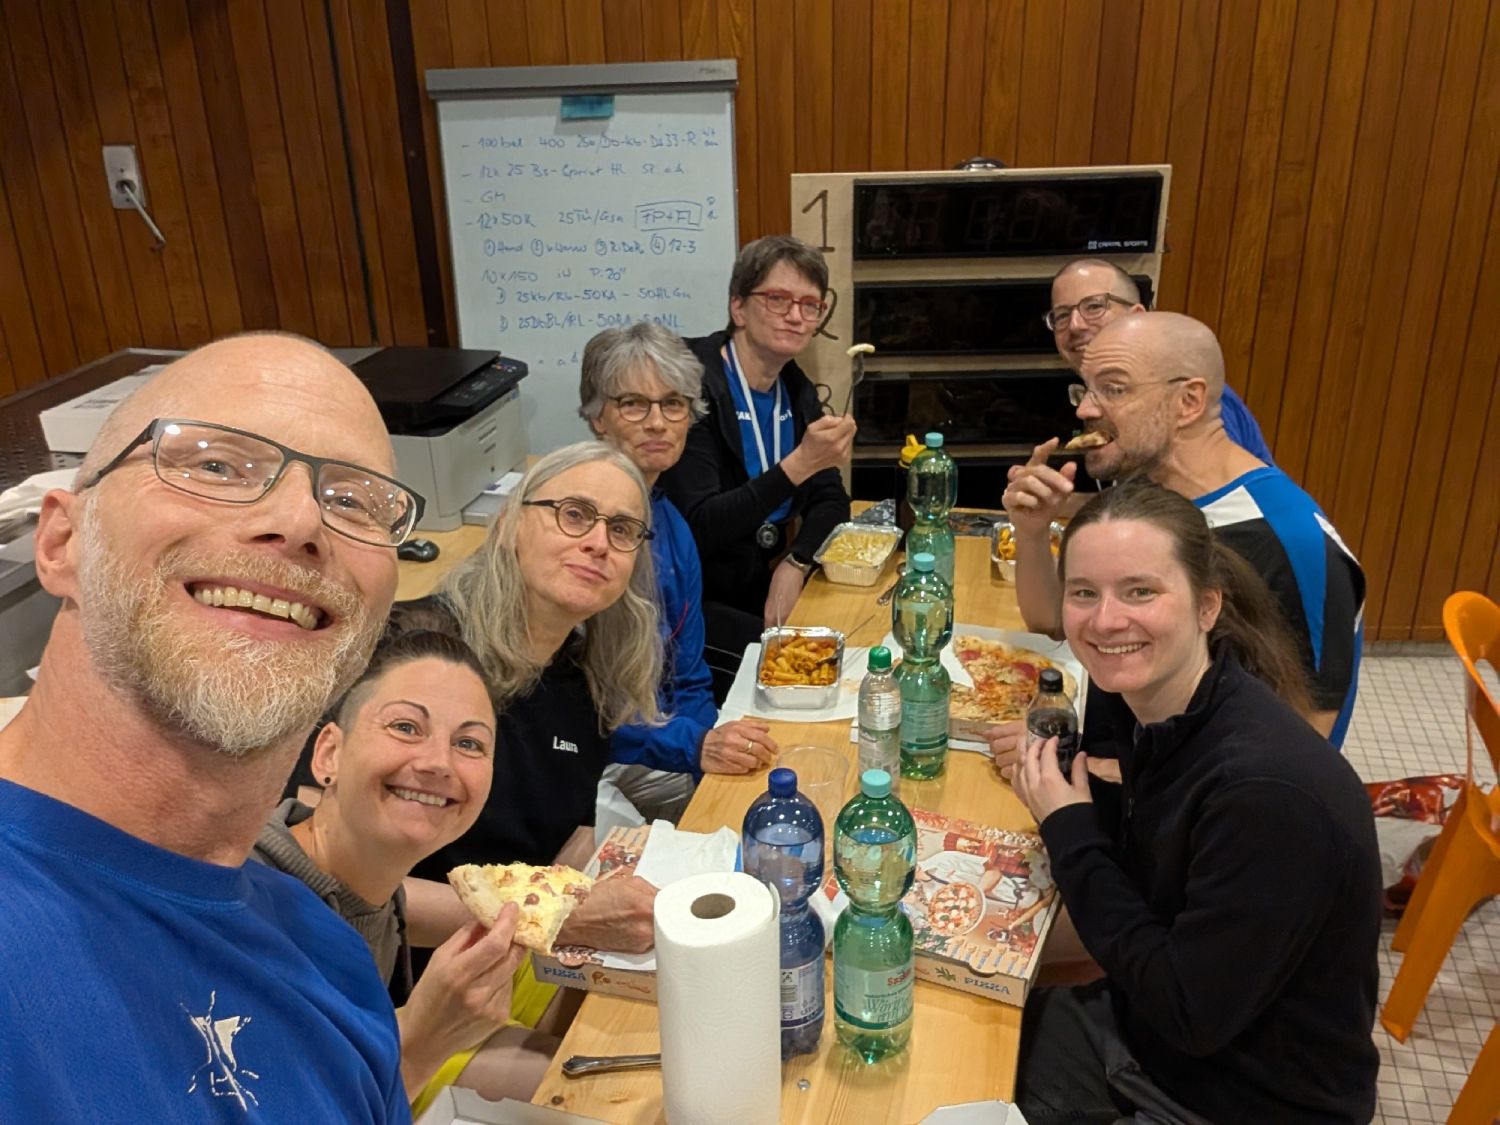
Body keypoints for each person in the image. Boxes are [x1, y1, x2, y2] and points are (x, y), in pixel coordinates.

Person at [0, 334, 428, 1119]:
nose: (299, 521)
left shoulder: (329, 959)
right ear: (61, 543)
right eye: (216, 464)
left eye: (353, 501)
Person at [1008, 480, 1381, 1125]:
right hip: (1151, 1031)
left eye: (1140, 592)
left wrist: (1068, 827)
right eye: (1084, 593)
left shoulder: (1266, 794)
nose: (1106, 620)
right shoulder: (1157, 706)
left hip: (1236, 1095)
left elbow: (1188, 1012)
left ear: (1208, 605)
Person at [1003, 312, 1365, 746]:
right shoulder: (1142, 493)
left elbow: (1301, 750)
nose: (1085, 409)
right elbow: (1050, 621)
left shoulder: (1291, 541)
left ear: (1189, 401)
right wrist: (1031, 531)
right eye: (1085, 389)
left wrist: (1099, 770)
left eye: (1114, 389)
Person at [250, 629, 557, 1113]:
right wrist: (421, 1041)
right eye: (406, 727)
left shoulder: (376, 897)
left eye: (469, 743)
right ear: (329, 754)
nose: (439, 763)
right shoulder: (245, 905)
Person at [400, 443, 664, 956]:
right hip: (393, 976)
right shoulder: (412, 651)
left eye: (622, 529)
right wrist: (559, 919)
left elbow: (571, 836)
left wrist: (599, 893)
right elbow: (332, 881)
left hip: (511, 956)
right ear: (508, 524)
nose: (598, 543)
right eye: (575, 514)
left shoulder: (585, 680)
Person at [579, 322, 780, 820]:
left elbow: (689, 678)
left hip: (657, 737)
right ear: (598, 416)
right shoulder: (580, 530)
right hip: (592, 754)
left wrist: (706, 747)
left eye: (673, 404)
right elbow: (578, 709)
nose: (657, 423)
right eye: (633, 404)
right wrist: (694, 748)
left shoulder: (671, 524)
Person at [659, 235, 855, 699]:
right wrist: (798, 465)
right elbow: (701, 525)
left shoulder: (794, 386)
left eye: (810, 305)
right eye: (778, 299)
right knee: (815, 675)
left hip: (761, 581)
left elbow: (832, 499)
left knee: (852, 644)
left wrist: (796, 560)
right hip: (688, 600)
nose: (796, 316)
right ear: (738, 308)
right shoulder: (689, 385)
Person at [1047, 258, 1272, 461]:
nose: (1075, 325)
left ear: (1136, 317)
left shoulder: (1179, 392)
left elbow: (1212, 491)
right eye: (1062, 315)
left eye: (1094, 307)